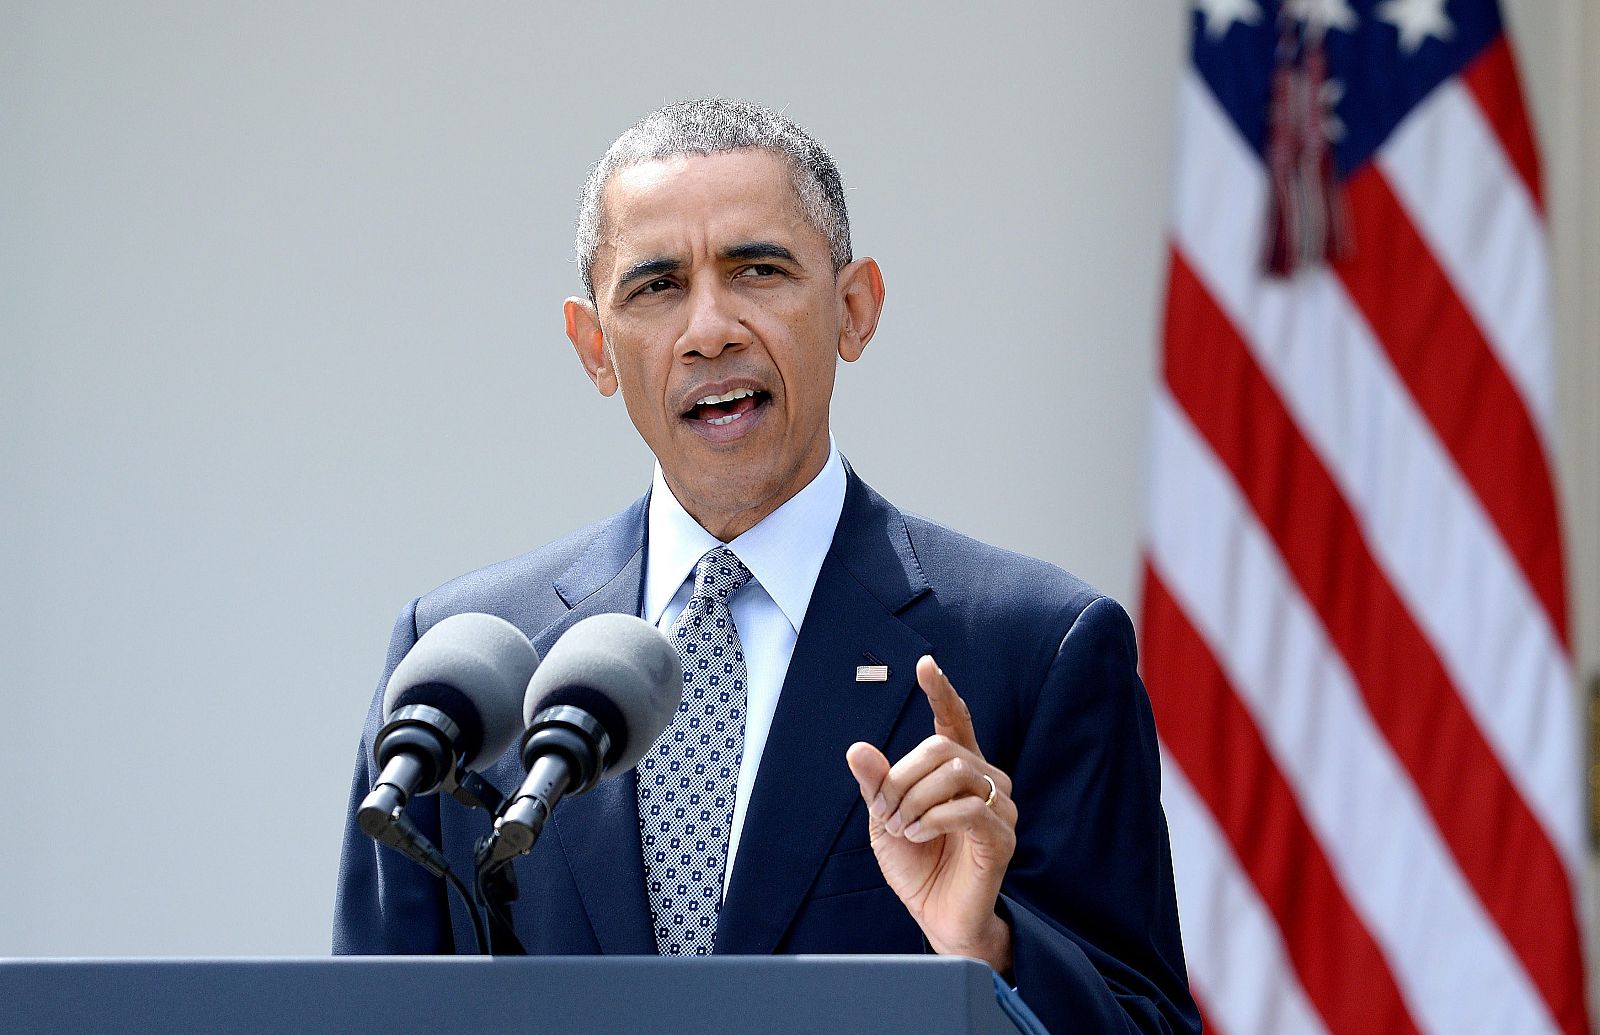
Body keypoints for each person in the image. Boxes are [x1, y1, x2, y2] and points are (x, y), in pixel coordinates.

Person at [334, 98, 1198, 1035]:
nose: (710, 329)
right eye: (657, 286)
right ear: (595, 348)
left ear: (855, 309)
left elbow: (1141, 1018)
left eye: (758, 270)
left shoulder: (1035, 648)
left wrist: (988, 952)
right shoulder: (465, 670)